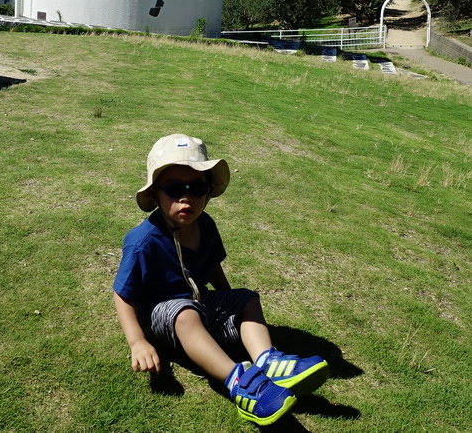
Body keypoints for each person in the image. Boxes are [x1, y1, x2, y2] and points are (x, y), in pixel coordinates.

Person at [113, 134, 329, 425]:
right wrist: (137, 341)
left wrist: (232, 306)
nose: (186, 198)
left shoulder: (206, 225)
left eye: (197, 188)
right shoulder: (143, 242)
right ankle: (240, 382)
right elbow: (123, 295)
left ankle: (268, 360)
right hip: (163, 316)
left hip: (200, 305)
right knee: (185, 313)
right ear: (154, 195)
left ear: (209, 192)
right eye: (174, 189)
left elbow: (213, 267)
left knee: (247, 298)